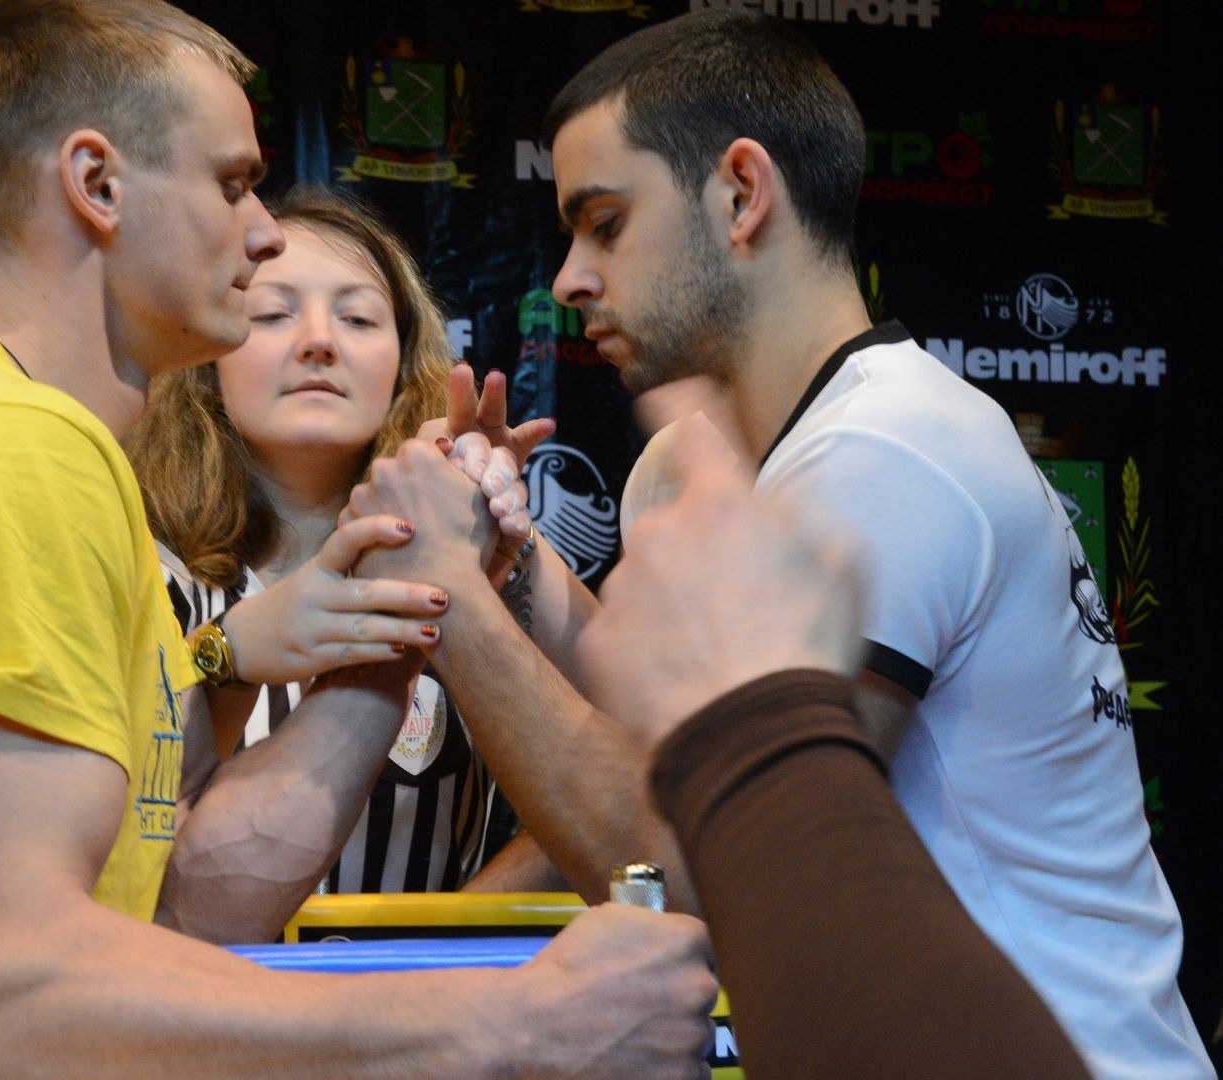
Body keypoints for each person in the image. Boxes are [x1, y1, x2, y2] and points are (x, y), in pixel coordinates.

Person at [0, 2, 719, 1075]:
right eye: (233, 182)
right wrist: (507, 1023)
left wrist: (399, 612)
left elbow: (174, 918)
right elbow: (10, 1008)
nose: (268, 229)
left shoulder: (44, 457)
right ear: (96, 185)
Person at [350, 8, 1211, 1077]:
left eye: (604, 222)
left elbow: (693, 859)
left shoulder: (890, 449)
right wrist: (508, 561)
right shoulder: (697, 460)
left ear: (742, 195)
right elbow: (647, 724)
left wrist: (447, 595)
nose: (569, 276)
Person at [578, 378, 1093, 1078]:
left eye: (607, 254)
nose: (572, 278)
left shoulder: (868, 447)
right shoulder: (888, 422)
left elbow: (698, 876)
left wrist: (463, 591)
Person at [132, 186, 564, 895]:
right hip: (207, 994)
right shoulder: (144, 568)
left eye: (358, 317)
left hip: (432, 1003)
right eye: (272, 313)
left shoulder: (470, 568)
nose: (318, 341)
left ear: (402, 365)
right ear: (210, 359)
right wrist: (223, 656)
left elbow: (632, 778)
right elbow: (114, 841)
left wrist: (457, 933)